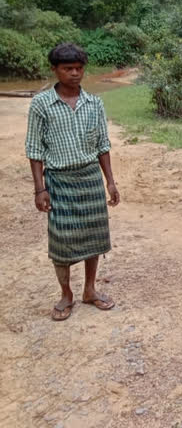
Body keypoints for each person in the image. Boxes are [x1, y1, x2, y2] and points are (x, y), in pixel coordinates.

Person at [25, 42, 120, 321]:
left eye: (79, 68)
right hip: (59, 181)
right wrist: (39, 188)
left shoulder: (95, 103)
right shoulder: (41, 104)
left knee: (94, 237)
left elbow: (103, 145)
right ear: (55, 70)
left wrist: (110, 182)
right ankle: (66, 294)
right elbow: (34, 149)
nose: (75, 73)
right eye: (67, 69)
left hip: (90, 177)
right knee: (62, 240)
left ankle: (89, 290)